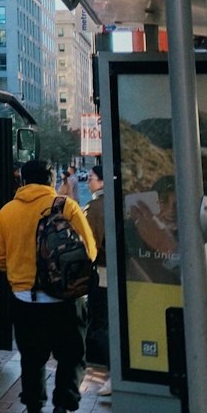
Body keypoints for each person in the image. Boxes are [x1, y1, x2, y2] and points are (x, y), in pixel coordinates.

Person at [0, 159, 96, 413]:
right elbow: (90, 251)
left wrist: (18, 271)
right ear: (50, 179)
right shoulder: (68, 207)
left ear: (23, 180)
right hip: (65, 300)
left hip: (25, 300)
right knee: (71, 355)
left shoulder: (8, 211)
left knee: (32, 360)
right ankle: (63, 411)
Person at [83, 163, 110, 393]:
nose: (88, 181)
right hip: (117, 272)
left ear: (101, 181)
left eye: (91, 177)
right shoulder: (115, 202)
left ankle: (112, 368)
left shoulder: (94, 208)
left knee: (99, 322)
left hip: (101, 272)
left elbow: (88, 245)